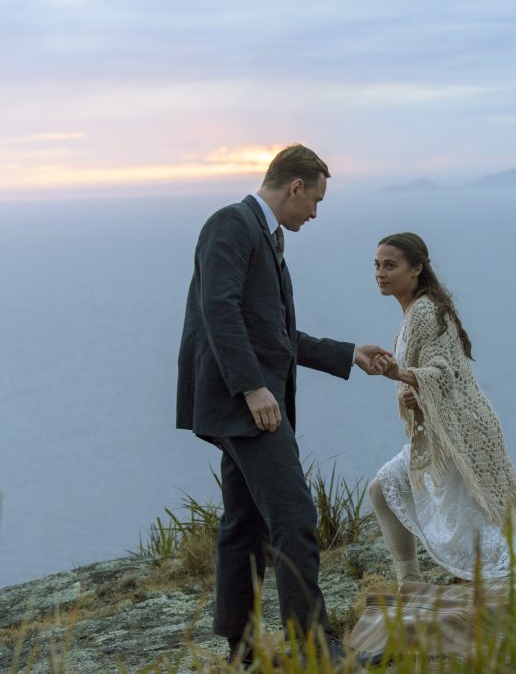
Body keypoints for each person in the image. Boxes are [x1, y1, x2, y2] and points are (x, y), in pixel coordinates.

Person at [175, 144, 391, 667]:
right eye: (314, 201)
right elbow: (218, 309)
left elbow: (272, 334)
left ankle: (242, 649)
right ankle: (314, 651)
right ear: (294, 187)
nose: (315, 213)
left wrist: (346, 353)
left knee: (244, 525)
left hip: (242, 403)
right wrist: (252, 387)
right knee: (295, 518)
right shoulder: (231, 224)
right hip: (244, 405)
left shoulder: (262, 236)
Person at [367, 232, 516, 586]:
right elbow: (441, 374)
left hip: (460, 431)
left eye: (390, 265)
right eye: (377, 265)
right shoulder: (415, 311)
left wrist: (403, 375)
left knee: (483, 546)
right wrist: (411, 389)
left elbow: (444, 373)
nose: (380, 273)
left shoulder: (425, 312)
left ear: (417, 269)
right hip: (448, 430)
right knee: (385, 490)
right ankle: (409, 580)